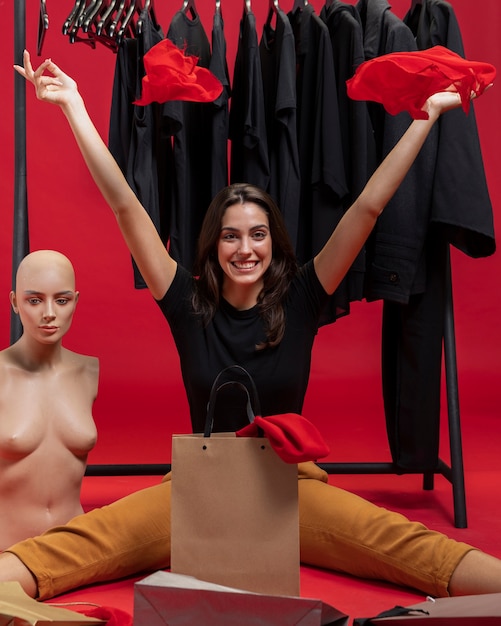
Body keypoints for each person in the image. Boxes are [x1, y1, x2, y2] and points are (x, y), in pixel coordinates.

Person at [3, 49, 500, 601]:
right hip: (199, 489)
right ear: (214, 245)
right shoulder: (186, 301)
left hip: (289, 490)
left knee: (408, 546)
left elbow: (368, 208)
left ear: (274, 242)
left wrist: (426, 116)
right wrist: (74, 106)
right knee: (79, 544)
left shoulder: (305, 295)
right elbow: (125, 205)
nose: (245, 248)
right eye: (231, 235)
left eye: (258, 234)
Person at [0, 249, 98, 550]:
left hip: (71, 550)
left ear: (76, 302)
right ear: (15, 302)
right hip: (7, 550)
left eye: (62, 300)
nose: (49, 313)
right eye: (34, 300)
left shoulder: (88, 371)